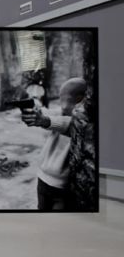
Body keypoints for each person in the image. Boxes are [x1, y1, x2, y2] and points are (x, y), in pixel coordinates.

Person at [20, 78, 87, 211]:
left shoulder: (82, 123)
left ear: (80, 100)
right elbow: (50, 115)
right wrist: (37, 115)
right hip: (42, 180)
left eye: (64, 99)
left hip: (62, 187)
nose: (61, 105)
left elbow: (69, 124)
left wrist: (44, 121)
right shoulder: (62, 113)